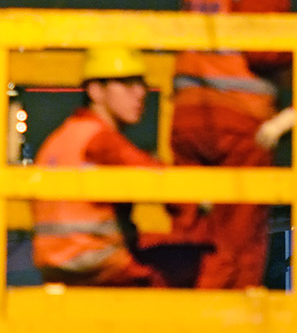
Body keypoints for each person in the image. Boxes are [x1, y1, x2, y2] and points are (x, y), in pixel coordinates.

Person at [170, 0, 297, 289]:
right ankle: (229, 320)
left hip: (188, 117)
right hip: (239, 123)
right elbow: (267, 51)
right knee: (238, 241)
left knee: (192, 234)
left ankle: (189, 311)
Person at [33, 46, 201, 288]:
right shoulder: (101, 141)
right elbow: (157, 179)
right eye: (127, 84)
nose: (140, 93)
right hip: (98, 261)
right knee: (201, 264)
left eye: (141, 84)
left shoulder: (63, 137)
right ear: (95, 91)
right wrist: (200, 195)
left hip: (59, 262)